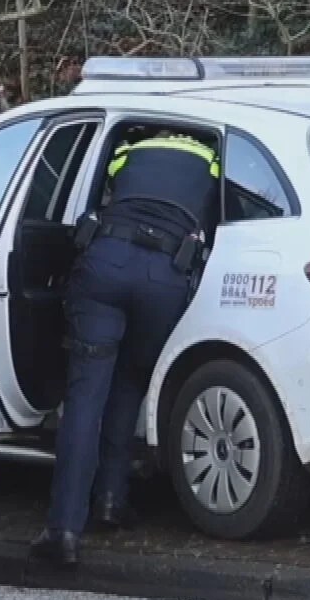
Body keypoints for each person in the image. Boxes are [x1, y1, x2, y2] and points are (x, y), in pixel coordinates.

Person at [29, 128, 221, 566]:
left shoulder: (128, 150)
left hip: (107, 263)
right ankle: (112, 499)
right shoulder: (211, 158)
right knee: (131, 380)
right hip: (164, 276)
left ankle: (63, 531)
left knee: (84, 397)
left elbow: (94, 197)